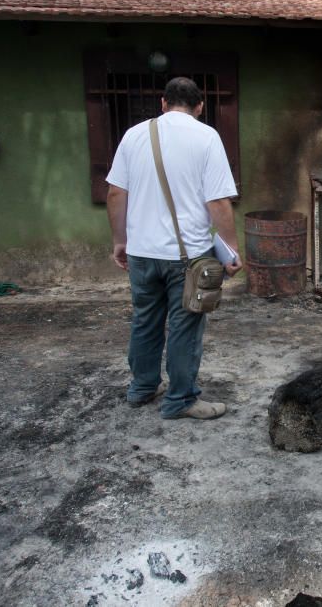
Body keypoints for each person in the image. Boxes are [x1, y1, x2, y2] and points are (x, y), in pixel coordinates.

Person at [106, 77, 242, 420]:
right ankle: (180, 400)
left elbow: (115, 194)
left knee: (145, 321)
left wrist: (120, 241)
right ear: (199, 107)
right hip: (189, 257)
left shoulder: (134, 135)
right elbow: (219, 202)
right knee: (184, 327)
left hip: (141, 253)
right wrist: (232, 249)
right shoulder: (206, 137)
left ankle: (141, 388)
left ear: (163, 104)